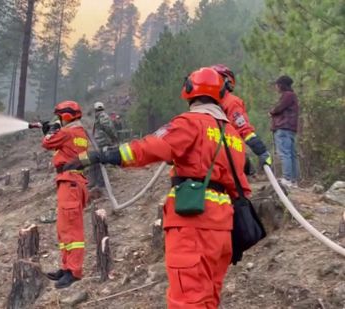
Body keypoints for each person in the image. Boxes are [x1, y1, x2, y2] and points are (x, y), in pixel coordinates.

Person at [64, 67, 253, 308]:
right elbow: (241, 188)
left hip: (192, 225)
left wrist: (105, 155)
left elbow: (148, 148)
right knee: (208, 299)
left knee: (186, 301)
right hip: (223, 230)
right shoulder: (233, 136)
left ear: (188, 90)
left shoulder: (190, 123)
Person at [41, 100, 89, 289]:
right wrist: (52, 130)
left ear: (66, 116)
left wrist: (51, 130)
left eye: (59, 116)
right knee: (64, 227)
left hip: (70, 183)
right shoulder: (78, 132)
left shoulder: (68, 132)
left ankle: (73, 271)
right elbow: (56, 144)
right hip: (69, 182)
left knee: (71, 228)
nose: (58, 119)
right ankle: (66, 267)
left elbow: (47, 143)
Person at [211, 64, 272, 171]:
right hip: (224, 156)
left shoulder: (200, 104)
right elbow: (244, 130)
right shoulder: (231, 102)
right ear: (227, 82)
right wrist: (261, 151)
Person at [270, 75, 300, 188]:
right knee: (291, 154)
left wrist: (271, 112)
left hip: (283, 127)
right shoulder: (292, 96)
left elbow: (278, 108)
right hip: (290, 128)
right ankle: (293, 180)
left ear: (281, 85)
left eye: (277, 85)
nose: (276, 87)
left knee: (285, 154)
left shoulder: (287, 96)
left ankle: (287, 178)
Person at [89, 102, 118, 189]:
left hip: (100, 143)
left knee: (98, 162)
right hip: (102, 143)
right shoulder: (102, 116)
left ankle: (98, 183)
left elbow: (107, 128)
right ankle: (97, 182)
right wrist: (114, 138)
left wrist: (113, 138)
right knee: (99, 162)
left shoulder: (101, 116)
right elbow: (110, 128)